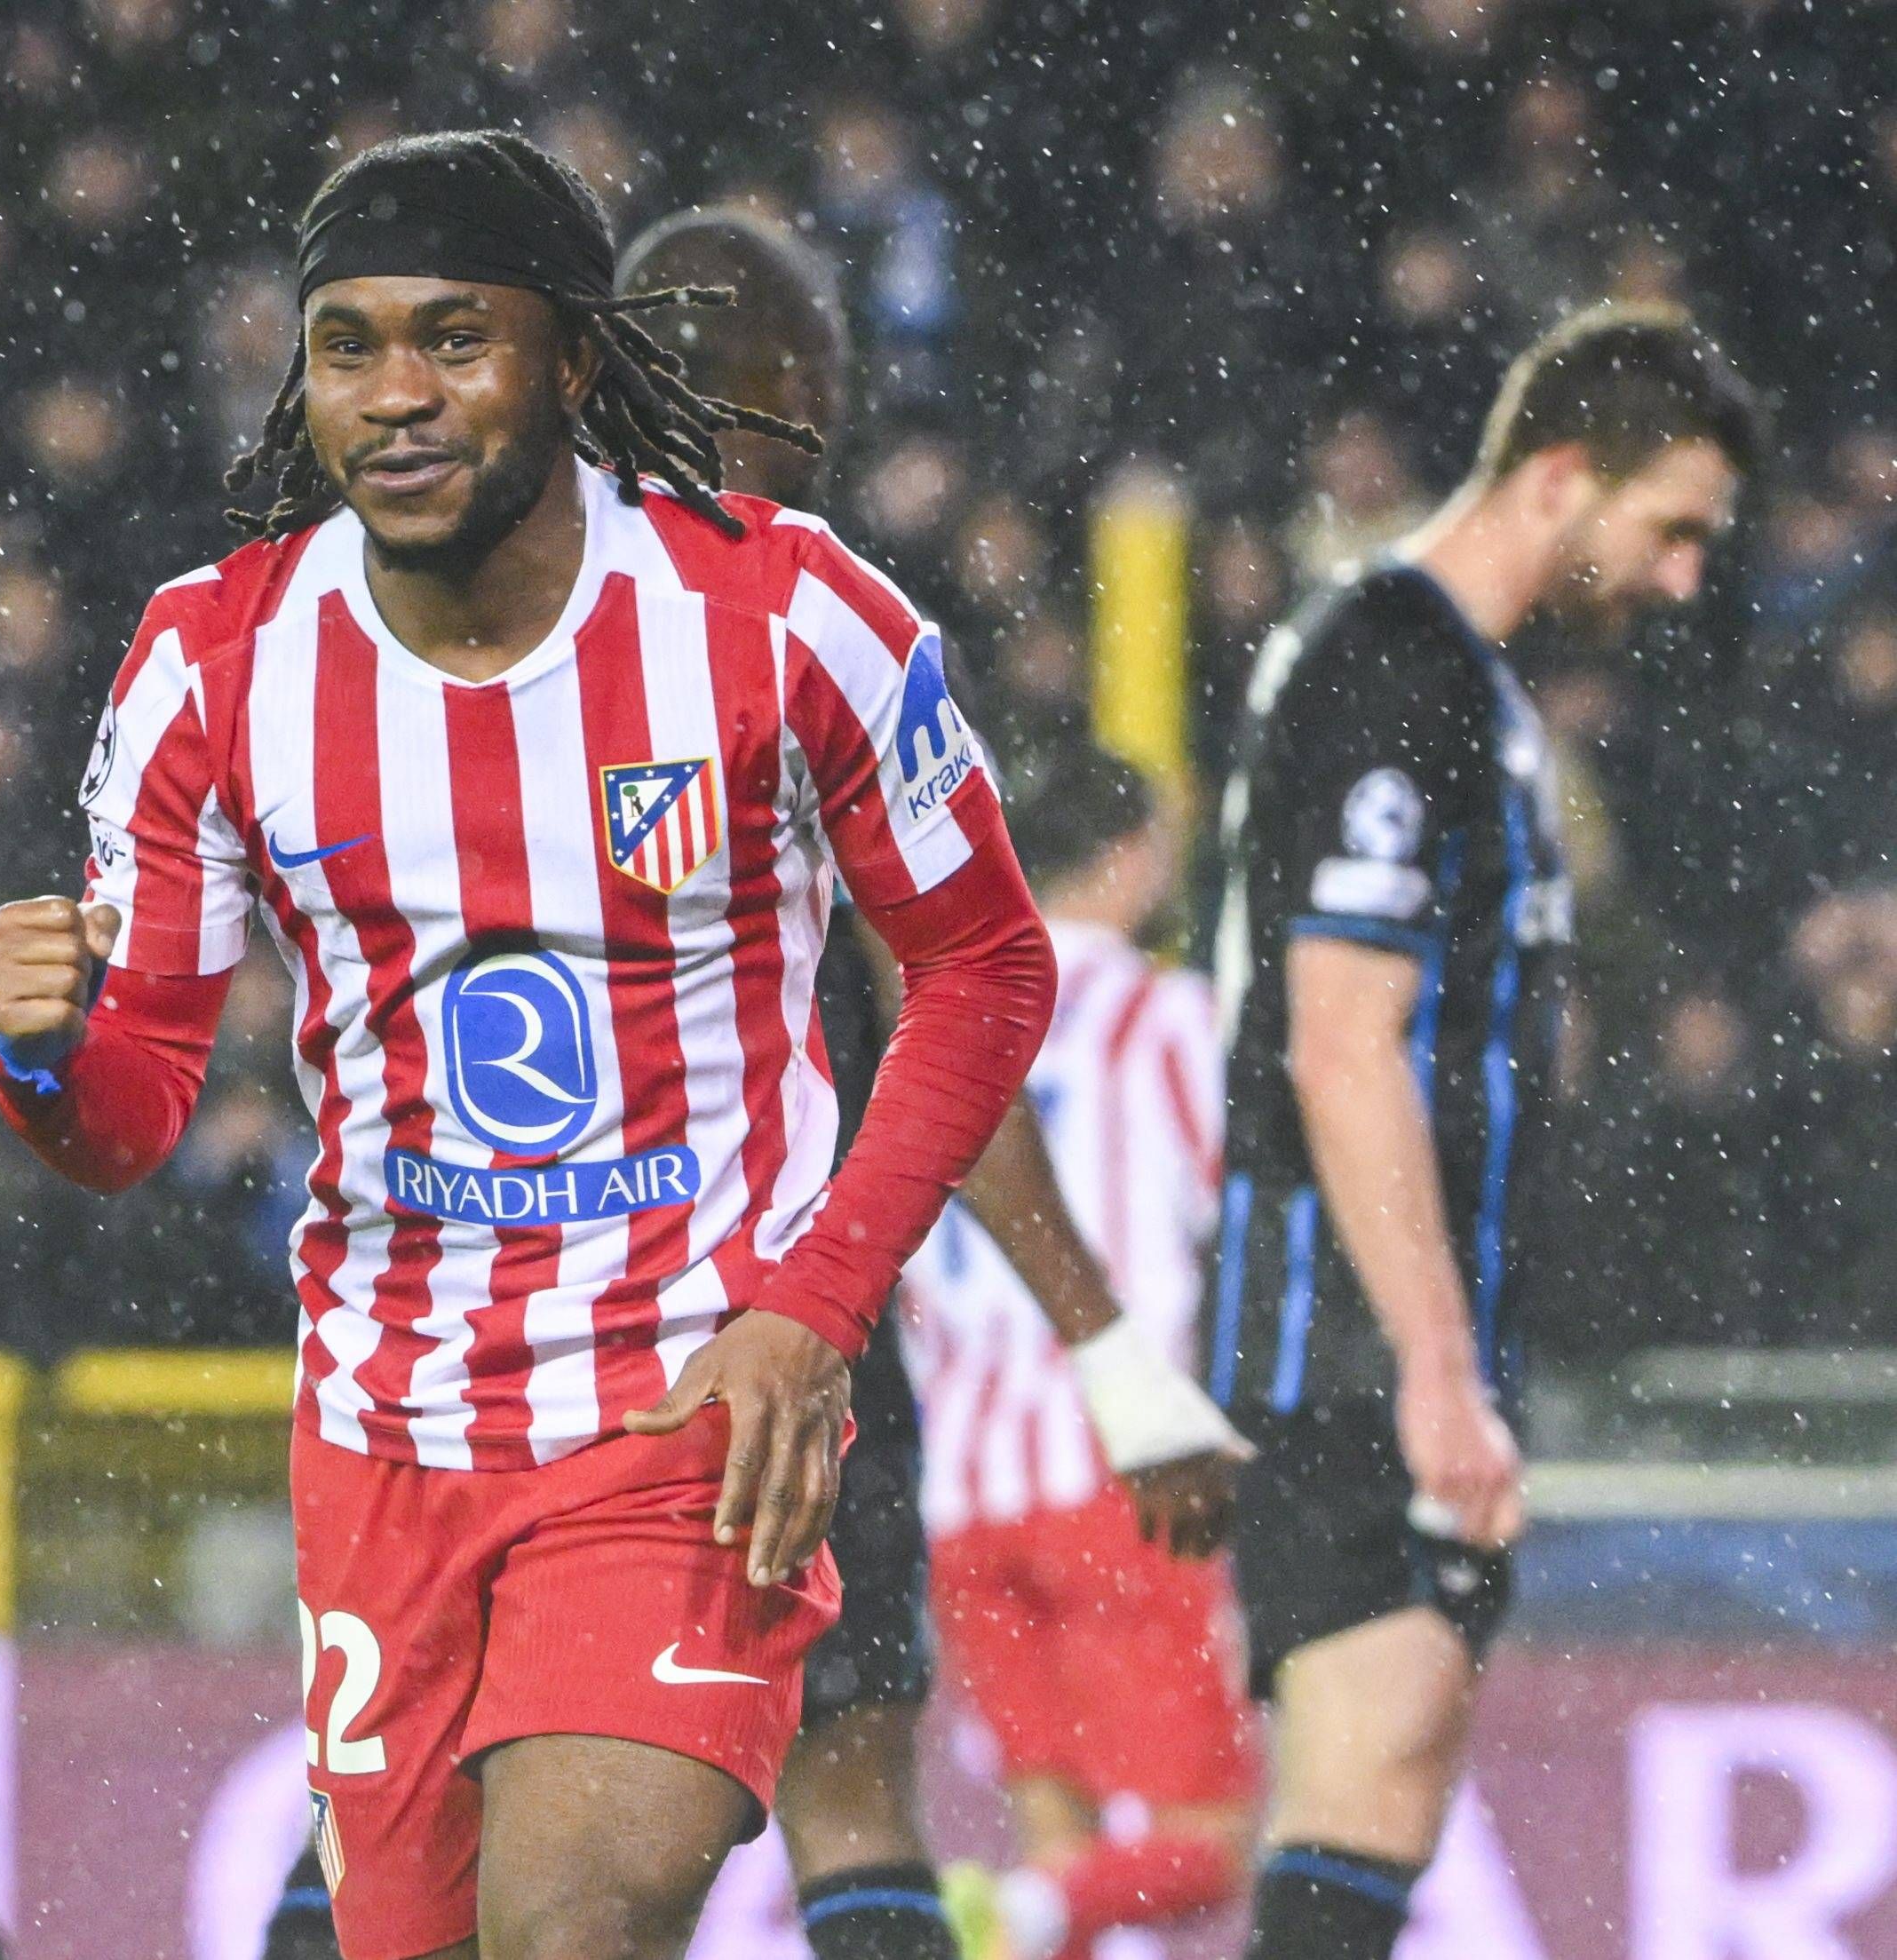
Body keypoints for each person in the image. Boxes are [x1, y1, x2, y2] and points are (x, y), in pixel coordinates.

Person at [0, 127, 1062, 1960]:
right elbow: (130, 1118)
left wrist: (814, 1306)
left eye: (455, 341)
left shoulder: (786, 617)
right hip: (385, 1436)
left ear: (573, 359)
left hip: (684, 1410)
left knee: (576, 1927)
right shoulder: (211, 664)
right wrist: (37, 1058)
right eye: (350, 347)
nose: (396, 397)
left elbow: (983, 967)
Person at [248, 202, 1243, 1960]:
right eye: (825, 394)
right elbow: (950, 995)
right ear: (785, 387)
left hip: (450, 1356)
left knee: (396, 1833)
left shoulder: (423, 607)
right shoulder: (791, 625)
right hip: (749, 1339)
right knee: (847, 1792)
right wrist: (1101, 1344)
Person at [1208, 303, 1757, 1960]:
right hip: (1350, 1346)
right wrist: (1438, 1368)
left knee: (1385, 1794)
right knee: (1361, 1791)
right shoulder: (1399, 669)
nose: (1680, 579)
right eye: (1671, 530)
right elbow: (1343, 1039)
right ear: (1564, 475)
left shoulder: (1445, 676)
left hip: (1382, 1338)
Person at [900, 742, 1258, 1960]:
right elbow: (1243, 1225)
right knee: (1206, 1841)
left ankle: (1025, 1910)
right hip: (1119, 1474)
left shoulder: (934, 1021)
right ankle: (991, 1919)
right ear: (1136, 855)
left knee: (1064, 1841)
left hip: (960, 1492)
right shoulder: (1160, 1019)